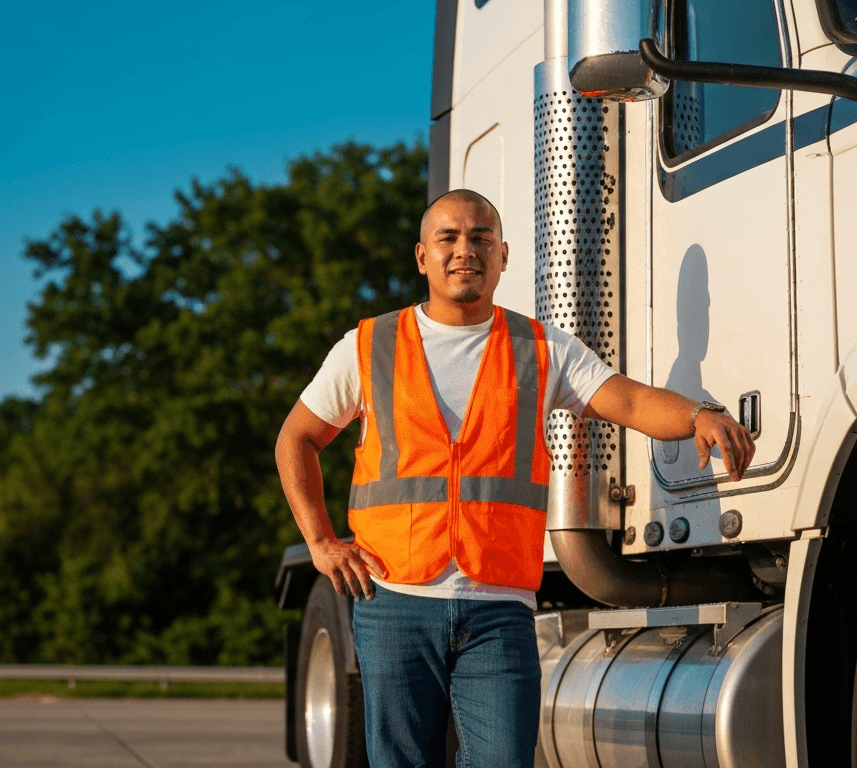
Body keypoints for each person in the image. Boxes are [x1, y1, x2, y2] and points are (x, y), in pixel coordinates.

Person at [275, 189, 754, 768]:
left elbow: (625, 399)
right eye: (448, 238)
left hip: (497, 608)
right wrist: (321, 543)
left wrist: (698, 414)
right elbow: (295, 439)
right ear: (421, 256)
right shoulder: (370, 346)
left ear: (503, 256)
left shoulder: (541, 347)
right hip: (396, 600)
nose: (464, 250)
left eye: (480, 239)